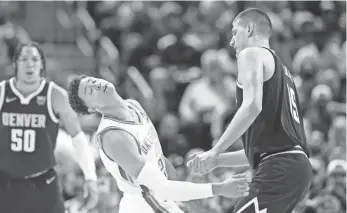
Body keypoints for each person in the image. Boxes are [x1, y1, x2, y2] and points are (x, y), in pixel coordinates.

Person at [188, 8, 313, 213]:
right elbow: (265, 148)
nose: (231, 41)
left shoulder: (251, 53)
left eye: (234, 32)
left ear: (249, 28)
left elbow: (252, 106)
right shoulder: (283, 71)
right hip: (294, 167)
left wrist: (215, 150)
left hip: (281, 167)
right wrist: (217, 161)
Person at [67, 75, 251, 213]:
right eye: (90, 91)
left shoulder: (133, 106)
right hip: (144, 205)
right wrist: (220, 188)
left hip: (163, 199)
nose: (96, 85)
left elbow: (159, 160)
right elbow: (161, 187)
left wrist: (195, 207)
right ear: (92, 109)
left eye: (91, 81)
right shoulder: (114, 136)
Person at [0, 42, 99, 213]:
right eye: (24, 59)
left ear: (41, 65)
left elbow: (78, 138)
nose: (30, 64)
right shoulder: (2, 92)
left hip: (43, 183)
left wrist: (90, 177)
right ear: (15, 64)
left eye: (35, 59)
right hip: (6, 182)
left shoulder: (55, 96)